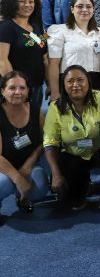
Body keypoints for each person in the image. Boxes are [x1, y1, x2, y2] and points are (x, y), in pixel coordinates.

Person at [43, 65, 100, 211]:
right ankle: (84, 186)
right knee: (71, 201)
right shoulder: (56, 107)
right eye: (70, 81)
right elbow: (50, 143)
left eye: (80, 80)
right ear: (64, 85)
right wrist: (55, 173)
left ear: (88, 82)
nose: (76, 85)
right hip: (73, 154)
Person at [0, 71, 48, 214]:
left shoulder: (35, 109)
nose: (18, 92)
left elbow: (45, 140)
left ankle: (22, 197)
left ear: (28, 91)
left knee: (40, 188)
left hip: (28, 163)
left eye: (22, 88)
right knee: (4, 183)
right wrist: (19, 179)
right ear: (2, 91)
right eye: (12, 88)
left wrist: (29, 164)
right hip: (3, 167)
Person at [47, 0, 100, 101]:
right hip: (71, 85)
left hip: (96, 85)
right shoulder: (60, 31)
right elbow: (54, 64)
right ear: (72, 9)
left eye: (88, 7)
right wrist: (55, 92)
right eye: (80, 6)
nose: (84, 9)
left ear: (93, 10)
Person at [0, 0, 48, 107]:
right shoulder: (6, 27)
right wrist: (15, 88)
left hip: (37, 86)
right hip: (17, 90)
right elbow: (2, 60)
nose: (27, 5)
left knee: (35, 121)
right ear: (12, 3)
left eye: (31, 1)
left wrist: (51, 85)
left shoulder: (36, 27)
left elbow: (44, 56)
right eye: (22, 1)